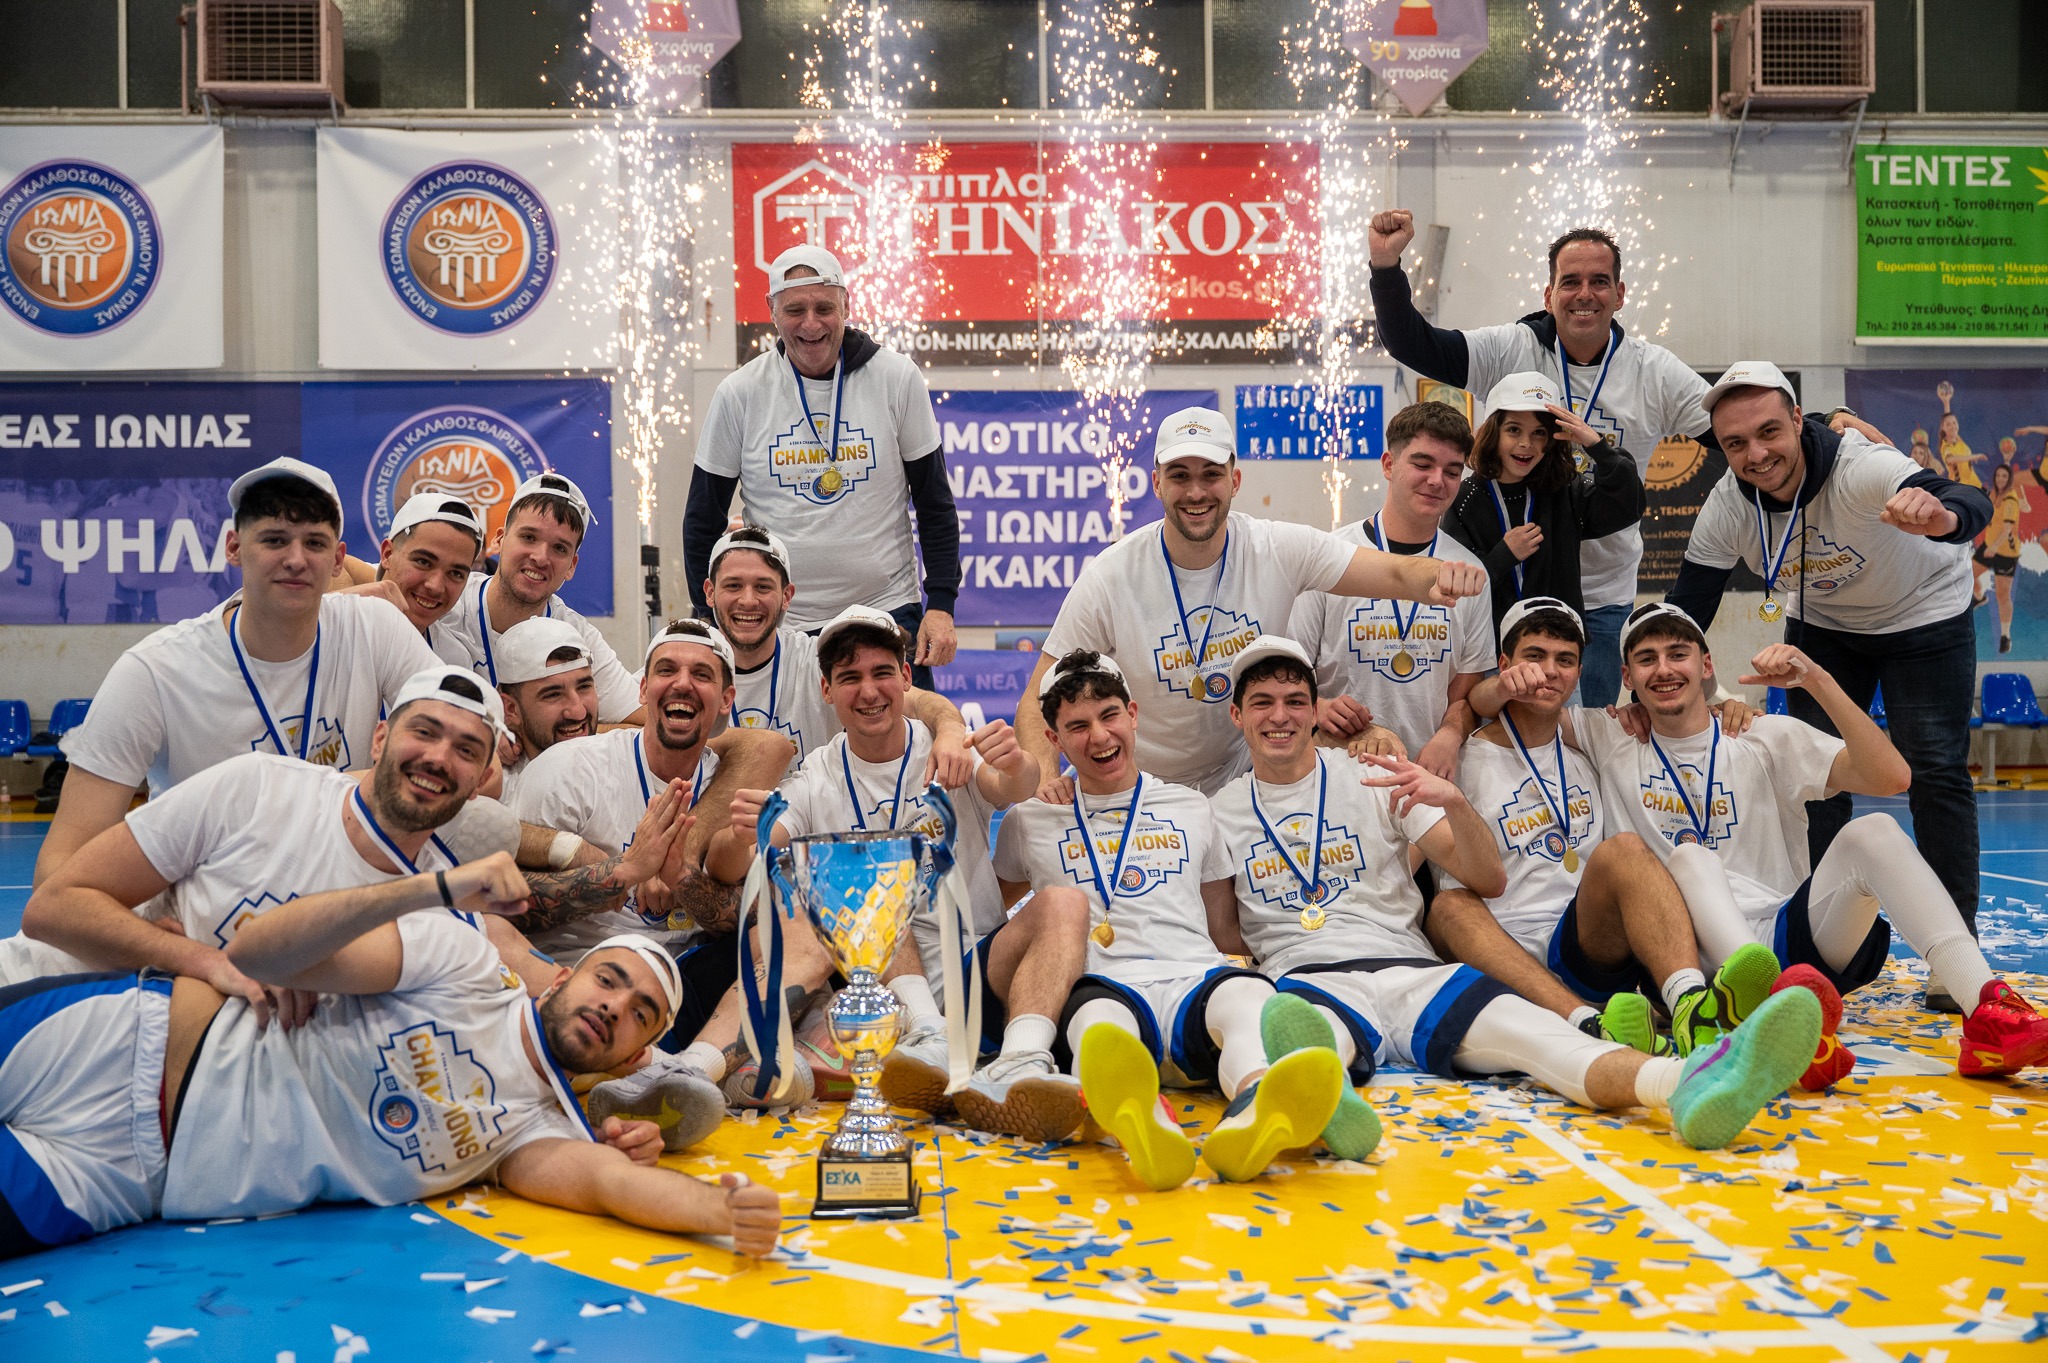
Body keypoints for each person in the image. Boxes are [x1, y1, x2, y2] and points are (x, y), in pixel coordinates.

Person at [19, 666, 733, 1155]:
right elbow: (51, 907)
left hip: (155, 1121)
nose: (439, 757)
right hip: (55, 1009)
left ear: (481, 781)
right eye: (425, 732)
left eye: (467, 750)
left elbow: (546, 982)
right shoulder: (255, 788)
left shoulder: (440, 898)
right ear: (381, 737)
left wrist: (640, 1089)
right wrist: (200, 960)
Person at [1204, 636, 1822, 1157]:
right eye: (1262, 703)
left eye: (1295, 701)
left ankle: (1689, 1082)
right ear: (1235, 716)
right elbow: (1227, 933)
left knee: (1546, 1042)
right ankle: (1318, 1099)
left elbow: (1486, 878)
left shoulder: (1376, 777)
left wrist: (1454, 803)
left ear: (1316, 710)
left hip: (1413, 968)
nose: (1280, 716)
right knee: (1306, 1041)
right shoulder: (1218, 813)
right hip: (1309, 974)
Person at [0, 880, 782, 1259]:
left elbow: (612, 1186)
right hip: (110, 1039)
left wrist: (720, 1210)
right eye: (609, 979)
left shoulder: (536, 1134)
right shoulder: (463, 962)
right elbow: (266, 950)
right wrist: (432, 892)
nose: (614, 1006)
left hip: (124, 1178)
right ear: (560, 977)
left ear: (637, 1054)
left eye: (641, 1013)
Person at [1581, 602, 2048, 1078]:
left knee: (1874, 831)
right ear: (1627, 676)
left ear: (1706, 665)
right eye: (1647, 659)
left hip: (1788, 942)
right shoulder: (1607, 735)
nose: (1663, 669)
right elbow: (1535, 711)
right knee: (1689, 857)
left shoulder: (1762, 734)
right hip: (1684, 957)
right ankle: (1778, 1014)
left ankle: (1986, 1008)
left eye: (1677, 654)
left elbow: (1892, 777)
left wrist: (1818, 681)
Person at [1668, 360, 1992, 1010]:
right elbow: (1686, 608)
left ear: (1797, 419)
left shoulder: (1859, 467)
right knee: (1812, 778)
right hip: (1824, 625)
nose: (1756, 455)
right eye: (1736, 443)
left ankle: (1954, 952)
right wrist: (1648, 690)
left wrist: (1941, 515)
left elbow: (1970, 501)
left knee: (1933, 771)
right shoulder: (1728, 506)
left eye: (1769, 432)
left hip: (1924, 612)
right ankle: (1820, 942)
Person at [40, 458, 515, 890]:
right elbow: (58, 871)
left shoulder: (376, 628)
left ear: (338, 558)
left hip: (340, 877)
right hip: (212, 887)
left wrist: (313, 796)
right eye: (274, 539)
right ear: (233, 547)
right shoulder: (154, 671)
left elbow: (487, 769)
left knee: (489, 827)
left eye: (314, 542)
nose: (295, 559)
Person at [723, 606, 1087, 1139]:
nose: (869, 691)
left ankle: (1019, 1064)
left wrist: (1017, 763)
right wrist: (742, 833)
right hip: (885, 992)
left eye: (881, 673)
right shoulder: (815, 777)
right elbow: (749, 853)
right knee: (867, 867)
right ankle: (927, 1032)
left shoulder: (949, 747)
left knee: (1066, 902)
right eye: (850, 677)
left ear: (906, 678)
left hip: (977, 968)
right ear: (826, 690)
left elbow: (1013, 787)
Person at [1020, 406, 1488, 796]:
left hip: (1246, 783)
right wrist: (1045, 783)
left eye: (1212, 474)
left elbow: (1393, 571)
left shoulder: (1277, 548)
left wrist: (1439, 575)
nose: (1197, 491)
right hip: (1145, 788)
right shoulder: (1110, 576)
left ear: (1235, 480)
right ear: (1157, 483)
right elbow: (1036, 699)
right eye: (1180, 476)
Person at [990, 649, 1328, 1179]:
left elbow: (1222, 926)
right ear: (1053, 739)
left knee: (1248, 999)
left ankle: (1256, 1104)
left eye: (1109, 715)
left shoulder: (1193, 806)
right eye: (1077, 726)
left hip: (1194, 977)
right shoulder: (1030, 820)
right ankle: (1146, 1122)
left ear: (1133, 714)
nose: (1099, 737)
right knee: (1101, 1030)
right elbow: (1005, 914)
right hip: (1102, 982)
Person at [1369, 213, 1710, 707]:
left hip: (1601, 597)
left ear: (1620, 293)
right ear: (1549, 295)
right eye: (1570, 281)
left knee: (1584, 734)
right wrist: (1385, 266)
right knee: (1493, 727)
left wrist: (1818, 425)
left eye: (1599, 281)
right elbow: (1412, 343)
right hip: (1505, 604)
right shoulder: (1512, 349)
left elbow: (1735, 424)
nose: (1584, 294)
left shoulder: (1654, 370)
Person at [1443, 600, 1782, 1059]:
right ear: (1504, 666)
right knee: (1449, 907)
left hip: (1588, 946)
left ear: (1579, 673)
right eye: (1534, 657)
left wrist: (1723, 707)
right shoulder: (1458, 760)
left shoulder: (1595, 744)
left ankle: (1689, 1005)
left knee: (1626, 849)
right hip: (1502, 949)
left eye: (1565, 660)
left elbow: (1681, 715)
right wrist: (1456, 723)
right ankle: (1589, 1021)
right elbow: (1475, 702)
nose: (1548, 671)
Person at [683, 244, 960, 687]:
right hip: (779, 624)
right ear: (772, 311)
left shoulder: (896, 378)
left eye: (824, 308)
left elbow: (934, 503)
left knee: (903, 732)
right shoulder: (741, 393)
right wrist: (708, 615)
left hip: (886, 609)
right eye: (795, 309)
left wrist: (942, 605)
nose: (810, 324)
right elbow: (702, 518)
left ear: (846, 306)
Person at [1286, 401, 1496, 778]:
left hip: (1425, 773)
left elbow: (1465, 693)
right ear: (1388, 465)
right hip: (1337, 769)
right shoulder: (1329, 557)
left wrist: (1451, 734)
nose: (1437, 480)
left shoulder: (1469, 573)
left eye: (1452, 471)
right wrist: (1320, 706)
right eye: (1423, 464)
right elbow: (1290, 671)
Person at [1443, 373, 1646, 636]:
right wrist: (1503, 556)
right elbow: (1455, 586)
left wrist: (1597, 446)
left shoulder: (1564, 490)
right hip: (1490, 646)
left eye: (1539, 433)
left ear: (1551, 439)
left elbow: (1628, 507)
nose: (1526, 443)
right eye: (1513, 429)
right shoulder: (1465, 498)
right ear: (1493, 432)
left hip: (1559, 645)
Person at [435, 472, 643, 723]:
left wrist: (550, 735)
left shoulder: (577, 635)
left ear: (571, 566)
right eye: (529, 537)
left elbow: (643, 722)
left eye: (559, 548)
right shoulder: (447, 600)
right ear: (500, 539)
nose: (541, 557)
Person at [493, 617, 599, 801]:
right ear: (511, 709)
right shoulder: (496, 796)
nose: (578, 712)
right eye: (553, 695)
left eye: (584, 687)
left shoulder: (626, 767)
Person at [375, 492, 486, 639]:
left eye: (456, 573)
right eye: (424, 562)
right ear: (388, 554)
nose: (436, 587)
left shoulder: (454, 652)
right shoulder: (344, 619)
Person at [1971, 461, 2027, 654]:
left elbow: (2007, 528)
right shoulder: (1994, 494)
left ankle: (2005, 636)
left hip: (2006, 553)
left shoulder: (2011, 499)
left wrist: (1995, 547)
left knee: (2003, 595)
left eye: (2004, 476)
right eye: (1998, 476)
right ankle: (1979, 597)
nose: (2001, 479)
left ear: (2009, 479)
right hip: (1989, 546)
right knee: (1968, 573)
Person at [1935, 381, 1985, 488]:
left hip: (1976, 486)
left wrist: (1946, 402)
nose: (1952, 426)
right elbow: (1951, 459)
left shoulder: (1958, 441)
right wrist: (1973, 457)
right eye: (1948, 425)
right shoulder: (1946, 446)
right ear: (1943, 428)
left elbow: (1948, 419)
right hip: (1960, 488)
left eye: (1954, 423)